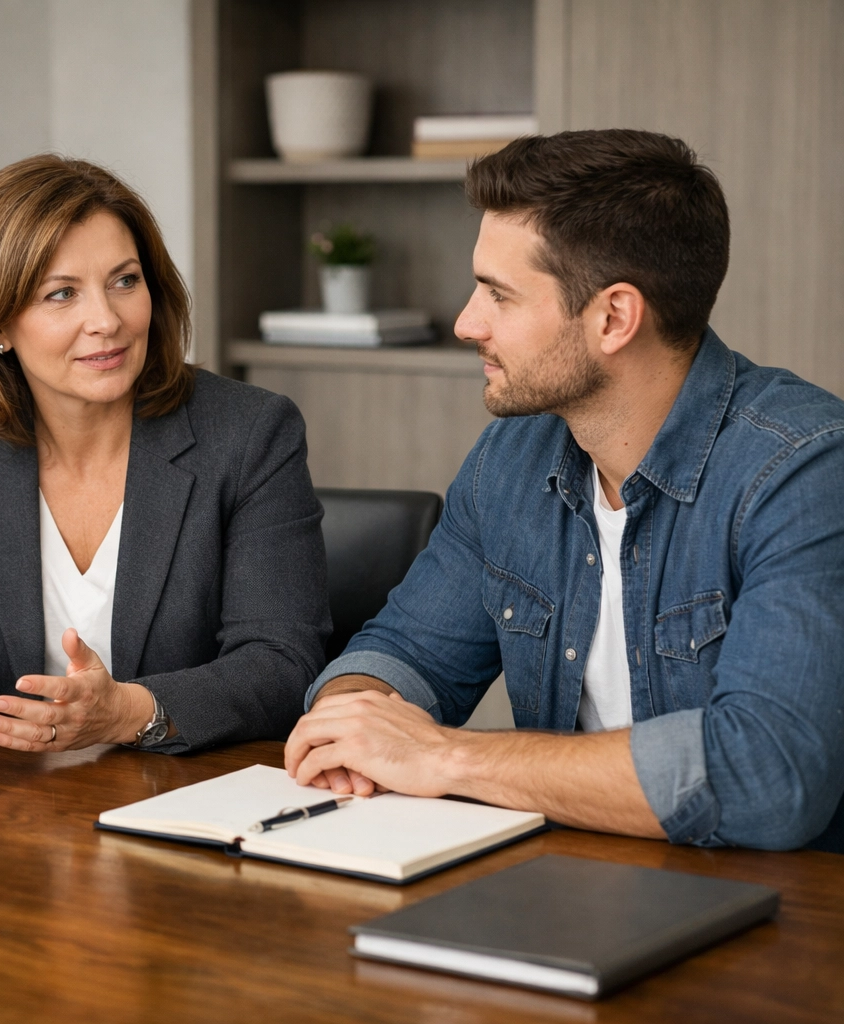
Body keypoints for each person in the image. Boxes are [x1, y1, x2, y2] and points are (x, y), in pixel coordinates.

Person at [285, 129, 844, 852]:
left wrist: (444, 756)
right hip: (566, 893)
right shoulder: (513, 458)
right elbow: (408, 650)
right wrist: (351, 725)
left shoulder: (803, 472)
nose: (466, 322)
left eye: (499, 295)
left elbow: (770, 776)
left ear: (614, 317)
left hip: (775, 923)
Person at [0, 155, 330, 754]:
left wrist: (133, 712)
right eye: (62, 294)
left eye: (125, 281)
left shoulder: (249, 432)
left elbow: (283, 662)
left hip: (188, 800)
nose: (106, 320)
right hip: (13, 804)